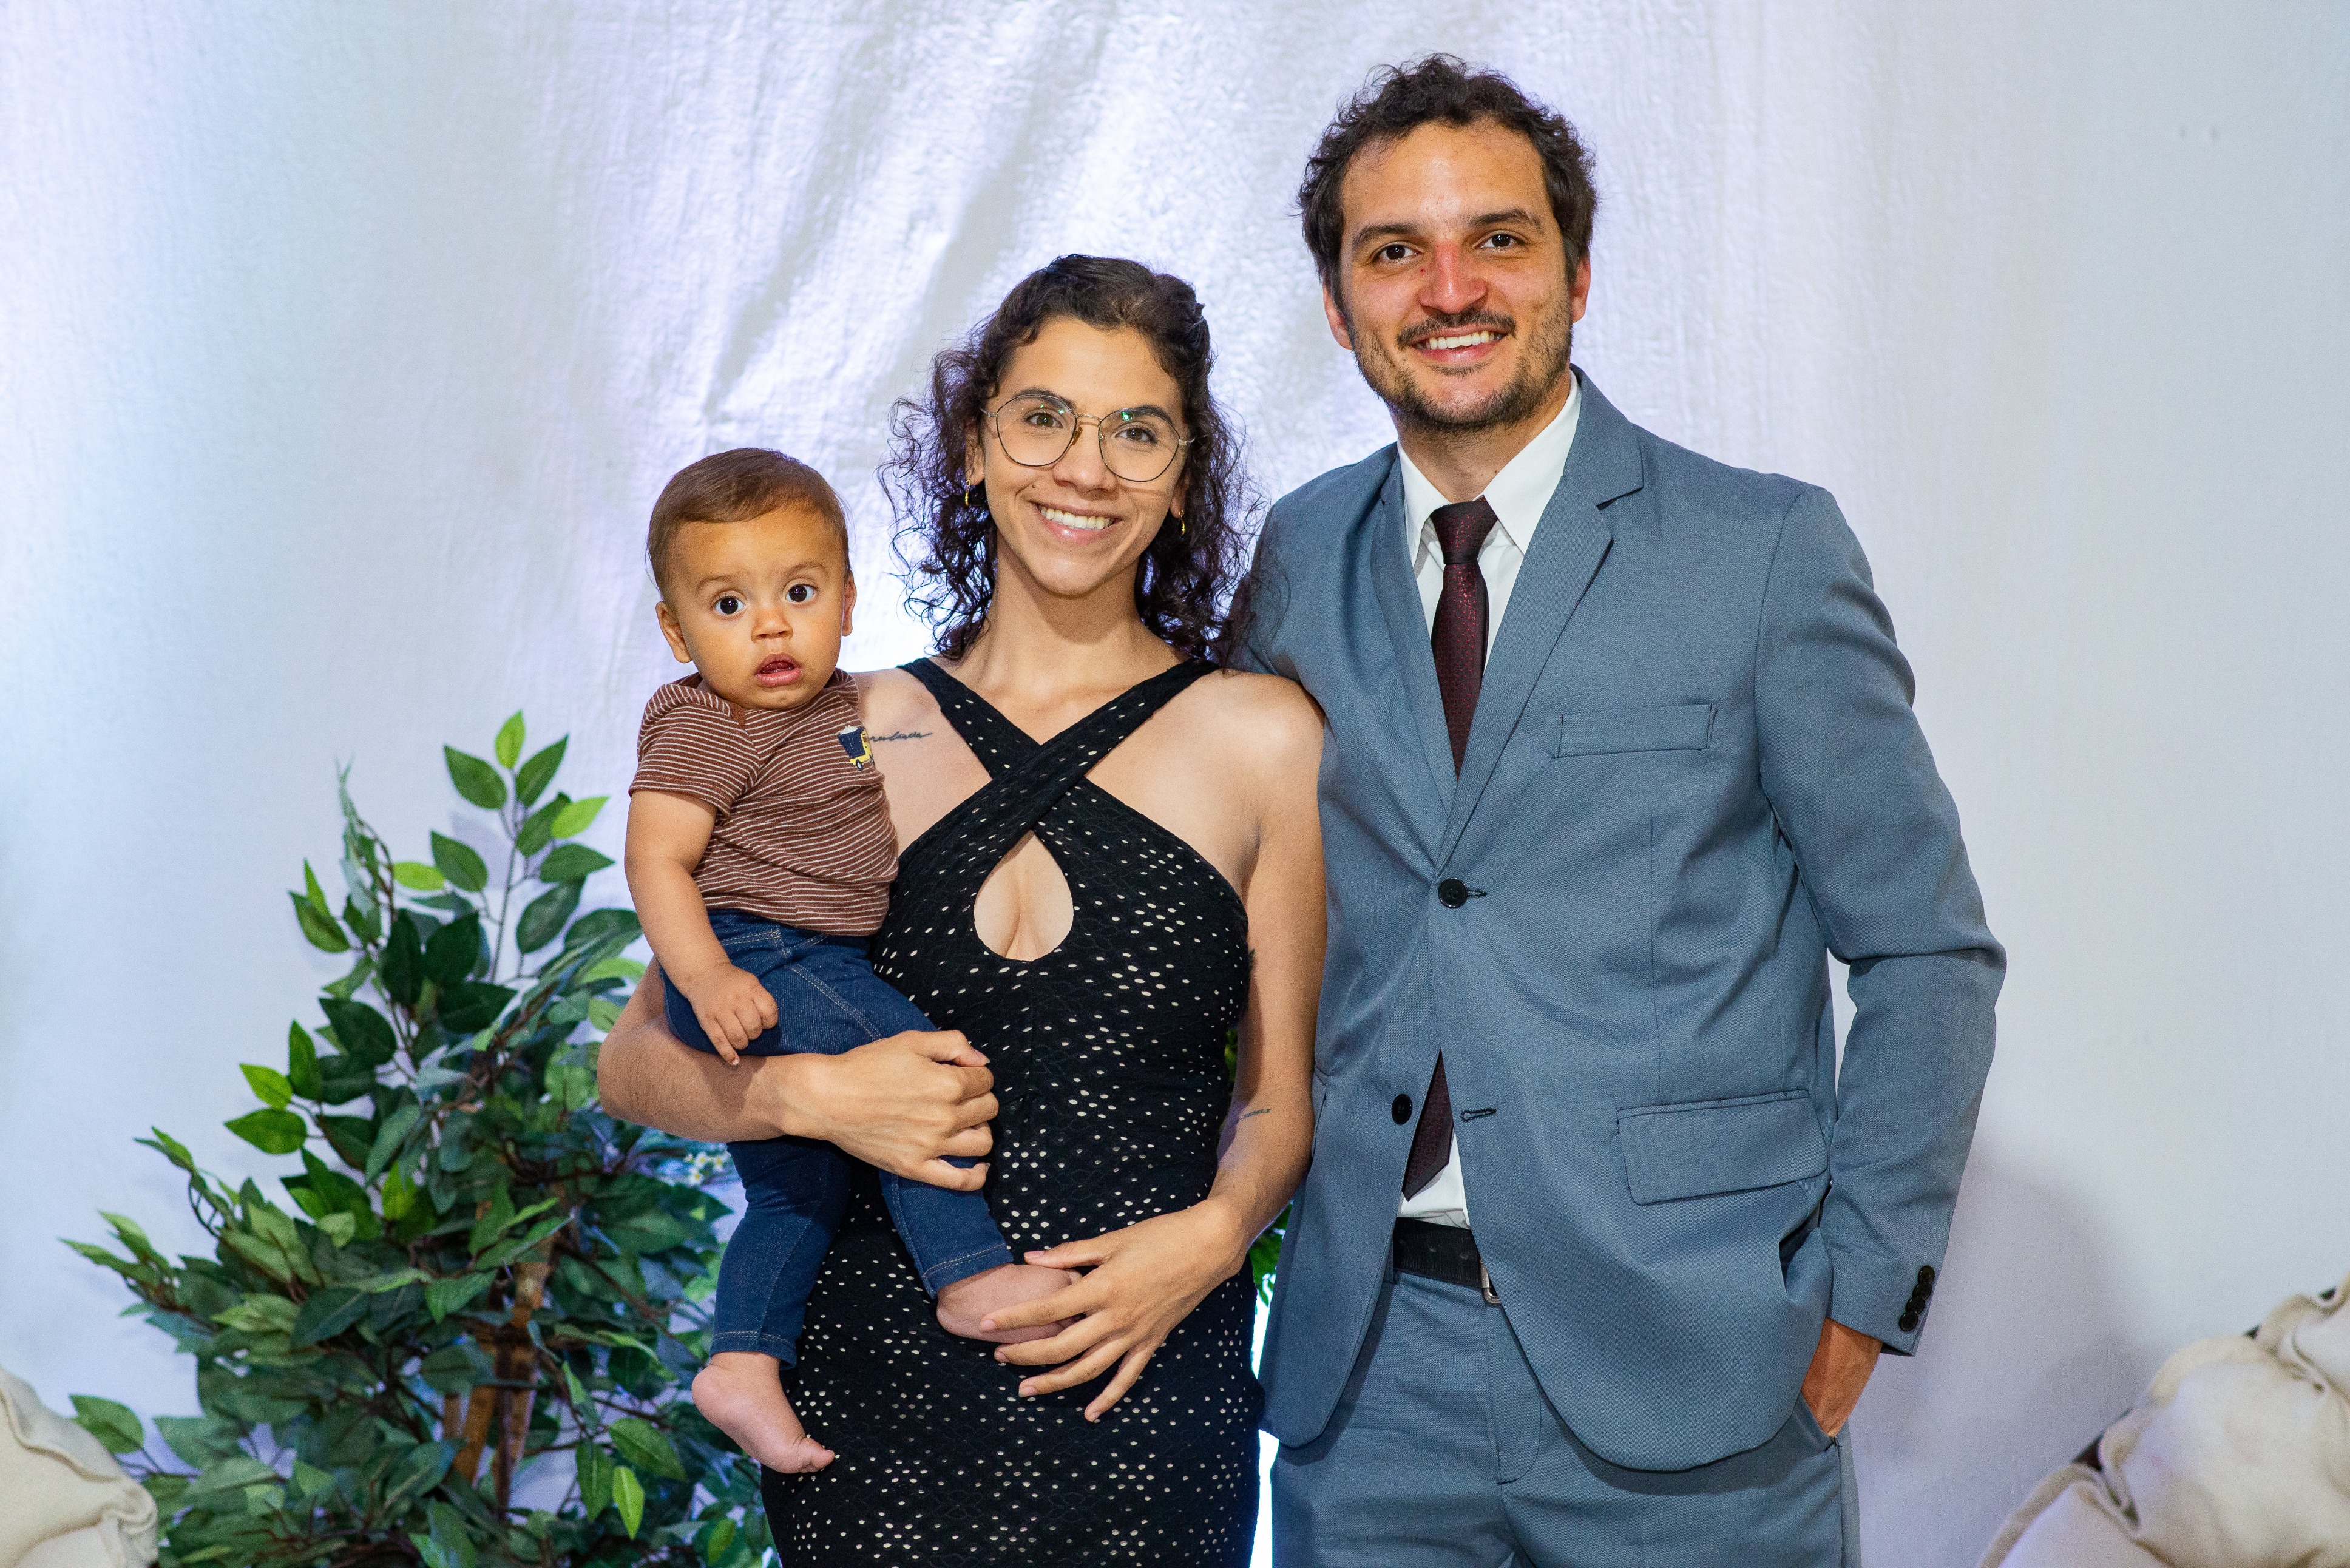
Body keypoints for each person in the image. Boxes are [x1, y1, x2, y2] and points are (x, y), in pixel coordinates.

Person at [1237, 57, 2004, 1565]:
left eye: (1498, 239)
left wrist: (1861, 1292)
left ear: (1577, 275)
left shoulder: (1762, 549)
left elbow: (1926, 952)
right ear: (1336, 304)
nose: (1448, 289)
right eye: (1393, 252)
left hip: (1700, 1369)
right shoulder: (1293, 561)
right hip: (1368, 1379)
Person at [598, 255, 1324, 1566]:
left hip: (1148, 1386)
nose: (1084, 469)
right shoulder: (840, 723)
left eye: (1137, 431)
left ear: (1183, 476)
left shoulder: (1264, 737)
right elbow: (634, 1059)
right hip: (869, 1413)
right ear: (976, 444)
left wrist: (1216, 1240)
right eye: (1042, 418)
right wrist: (804, 1097)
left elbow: (1276, 1100)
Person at [621, 448, 1078, 1475]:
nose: (771, 627)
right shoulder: (706, 722)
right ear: (677, 632)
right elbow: (656, 858)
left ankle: (742, 1363)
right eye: (728, 605)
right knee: (923, 1067)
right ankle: (968, 1276)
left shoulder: (841, 706)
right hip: (762, 952)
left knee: (798, 1195)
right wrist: (706, 977)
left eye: (798, 592)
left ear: (848, 599)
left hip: (793, 955)